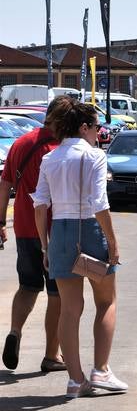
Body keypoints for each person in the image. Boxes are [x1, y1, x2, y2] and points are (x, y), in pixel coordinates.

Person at [32, 100, 127, 399]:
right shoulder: (95, 156)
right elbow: (100, 203)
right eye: (97, 127)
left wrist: (45, 246)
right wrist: (112, 241)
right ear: (84, 127)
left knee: (70, 310)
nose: (99, 132)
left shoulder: (50, 159)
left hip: (59, 231)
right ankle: (101, 370)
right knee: (106, 301)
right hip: (89, 228)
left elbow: (40, 205)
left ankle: (76, 380)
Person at [0, 96, 69, 373]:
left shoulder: (21, 143)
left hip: (24, 228)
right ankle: (51, 355)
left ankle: (15, 331)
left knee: (28, 286)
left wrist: (0, 221)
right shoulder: (60, 149)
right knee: (57, 294)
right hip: (54, 231)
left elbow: (5, 185)